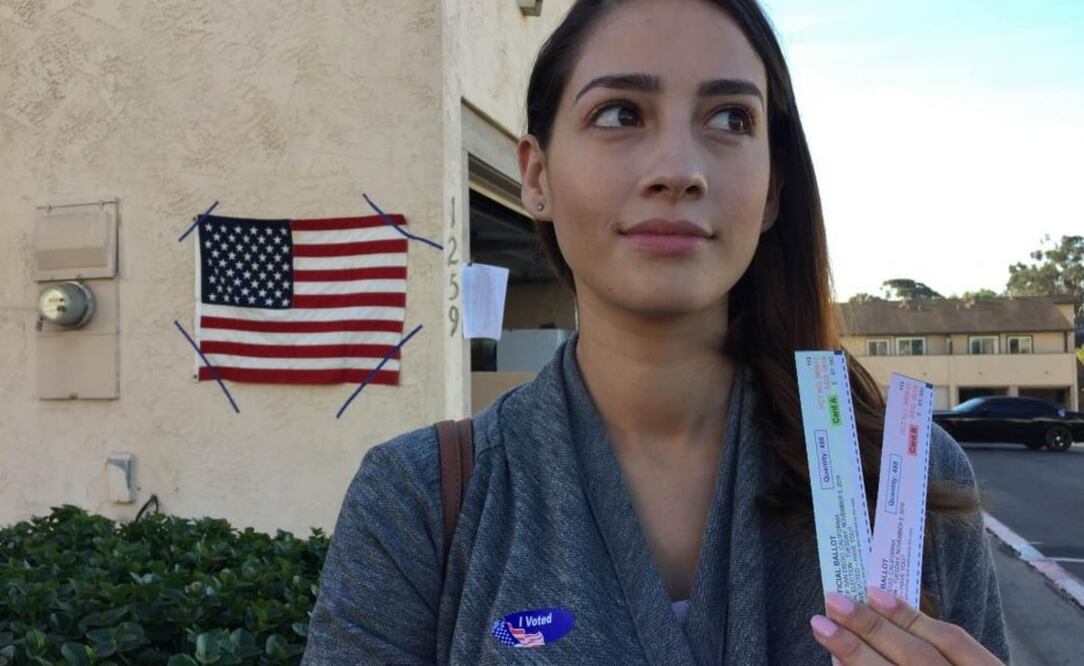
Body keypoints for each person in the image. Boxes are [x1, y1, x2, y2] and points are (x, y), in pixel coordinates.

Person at [302, 0, 1009, 663]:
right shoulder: (419, 501)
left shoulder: (909, 485)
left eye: (731, 118)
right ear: (537, 175)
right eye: (619, 113)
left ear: (773, 191)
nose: (679, 170)